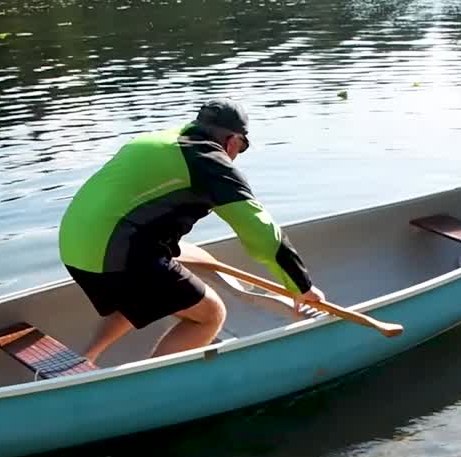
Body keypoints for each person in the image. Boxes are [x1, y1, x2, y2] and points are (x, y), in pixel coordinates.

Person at [57, 98, 325, 364]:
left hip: (74, 248)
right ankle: (155, 386)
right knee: (211, 314)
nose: (237, 155)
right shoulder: (209, 162)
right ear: (232, 140)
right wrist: (302, 286)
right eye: (242, 147)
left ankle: (85, 357)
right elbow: (262, 235)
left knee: (142, 292)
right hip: (117, 254)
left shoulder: (161, 140)